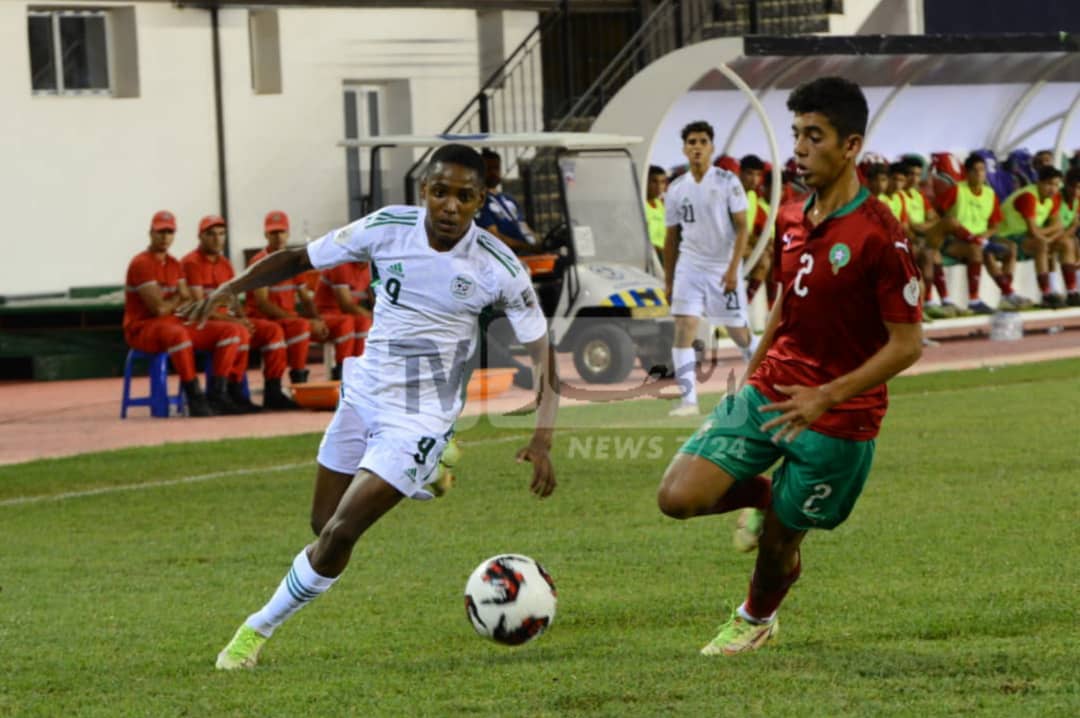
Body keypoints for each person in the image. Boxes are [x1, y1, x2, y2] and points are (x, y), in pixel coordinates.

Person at [184, 144, 559, 670]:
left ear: (480, 201)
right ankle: (432, 471)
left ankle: (254, 632)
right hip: (362, 393)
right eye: (441, 192)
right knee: (322, 525)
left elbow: (544, 354)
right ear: (424, 190)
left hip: (421, 416)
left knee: (341, 532)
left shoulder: (498, 266)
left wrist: (542, 437)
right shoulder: (387, 227)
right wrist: (231, 286)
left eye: (465, 196)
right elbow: (299, 258)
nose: (450, 206)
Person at [656, 77, 923, 656]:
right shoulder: (792, 216)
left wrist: (826, 395)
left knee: (779, 546)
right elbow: (785, 301)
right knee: (677, 496)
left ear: (850, 146)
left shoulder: (881, 236)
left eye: (814, 135)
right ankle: (764, 498)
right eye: (796, 133)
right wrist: (752, 375)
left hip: (839, 419)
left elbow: (907, 344)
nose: (799, 148)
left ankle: (755, 618)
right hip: (772, 388)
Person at [664, 120, 759, 417]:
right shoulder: (676, 188)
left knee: (738, 332)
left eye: (702, 142)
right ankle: (689, 402)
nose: (697, 147)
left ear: (711, 147)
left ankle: (764, 380)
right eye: (691, 142)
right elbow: (671, 236)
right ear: (684, 148)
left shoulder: (728, 181)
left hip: (722, 266)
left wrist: (732, 270)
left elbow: (742, 228)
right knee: (684, 326)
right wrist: (668, 280)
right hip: (690, 265)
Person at [124, 211, 246, 417]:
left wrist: (177, 300)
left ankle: (219, 394)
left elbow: (187, 300)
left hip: (173, 322)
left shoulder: (174, 263)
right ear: (151, 233)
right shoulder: (142, 263)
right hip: (142, 328)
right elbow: (158, 309)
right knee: (178, 334)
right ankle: (194, 396)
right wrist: (178, 298)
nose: (165, 237)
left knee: (232, 331)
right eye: (161, 232)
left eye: (169, 232)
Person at [181, 215, 300, 410]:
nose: (217, 239)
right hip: (201, 323)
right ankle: (222, 393)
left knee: (272, 331)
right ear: (200, 237)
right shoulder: (191, 263)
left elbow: (234, 299)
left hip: (225, 321)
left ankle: (273, 391)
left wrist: (243, 318)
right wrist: (236, 322)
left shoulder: (225, 263)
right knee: (235, 331)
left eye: (221, 234)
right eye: (211, 234)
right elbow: (200, 307)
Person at [936, 154, 1031, 313]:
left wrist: (984, 236)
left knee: (1011, 248)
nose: (980, 173)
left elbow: (995, 226)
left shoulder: (989, 193)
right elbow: (938, 215)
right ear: (967, 173)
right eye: (975, 170)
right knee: (978, 250)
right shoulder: (956, 190)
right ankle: (975, 300)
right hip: (956, 240)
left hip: (982, 239)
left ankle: (1006, 295)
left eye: (982, 170)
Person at [247, 211, 330, 385]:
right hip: (263, 319)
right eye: (273, 233)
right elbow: (263, 303)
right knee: (291, 327)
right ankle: (274, 387)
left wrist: (318, 320)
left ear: (288, 234)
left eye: (281, 232)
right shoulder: (259, 262)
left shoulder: (293, 262)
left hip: (286, 320)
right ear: (266, 235)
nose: (278, 237)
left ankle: (299, 381)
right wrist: (297, 318)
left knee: (302, 326)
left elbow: (305, 298)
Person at [998, 166, 1076, 308]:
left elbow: (1058, 226)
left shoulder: (1053, 198)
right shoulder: (1028, 197)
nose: (1053, 189)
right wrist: (1047, 237)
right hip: (1007, 236)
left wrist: (1049, 237)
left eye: (1056, 185)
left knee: (1067, 243)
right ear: (1039, 182)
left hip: (1027, 238)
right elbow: (1033, 231)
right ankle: (1046, 294)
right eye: (1049, 184)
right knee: (1041, 244)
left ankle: (1072, 292)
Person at [902, 157, 966, 318]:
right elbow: (906, 226)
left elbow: (934, 218)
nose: (914, 178)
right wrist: (920, 227)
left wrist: (921, 226)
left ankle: (940, 300)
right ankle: (935, 300)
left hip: (923, 235)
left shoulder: (918, 195)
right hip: (909, 240)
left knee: (938, 240)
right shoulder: (899, 196)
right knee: (932, 252)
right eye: (910, 174)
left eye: (918, 175)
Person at [313, 260, 373, 380]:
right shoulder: (340, 265)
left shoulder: (369, 268)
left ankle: (359, 368)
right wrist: (374, 316)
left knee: (364, 322)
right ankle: (341, 370)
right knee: (347, 322)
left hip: (347, 316)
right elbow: (345, 305)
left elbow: (374, 298)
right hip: (324, 315)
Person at [476, 149, 539, 255]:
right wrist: (525, 246)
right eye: (489, 169)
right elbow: (493, 237)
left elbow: (523, 226)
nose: (494, 173)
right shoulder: (480, 202)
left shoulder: (509, 199)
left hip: (526, 253)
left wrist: (538, 242)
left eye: (496, 168)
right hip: (504, 256)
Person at [739, 154, 775, 304]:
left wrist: (764, 243)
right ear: (740, 173)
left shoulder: (752, 197)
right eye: (750, 174)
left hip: (741, 243)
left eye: (758, 175)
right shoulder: (730, 194)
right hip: (725, 246)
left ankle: (749, 302)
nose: (754, 179)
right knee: (763, 259)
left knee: (771, 257)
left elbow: (749, 231)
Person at [645, 165, 668, 262]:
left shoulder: (662, 204)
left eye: (662, 182)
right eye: (654, 181)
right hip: (651, 257)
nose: (659, 186)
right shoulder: (641, 205)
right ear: (646, 182)